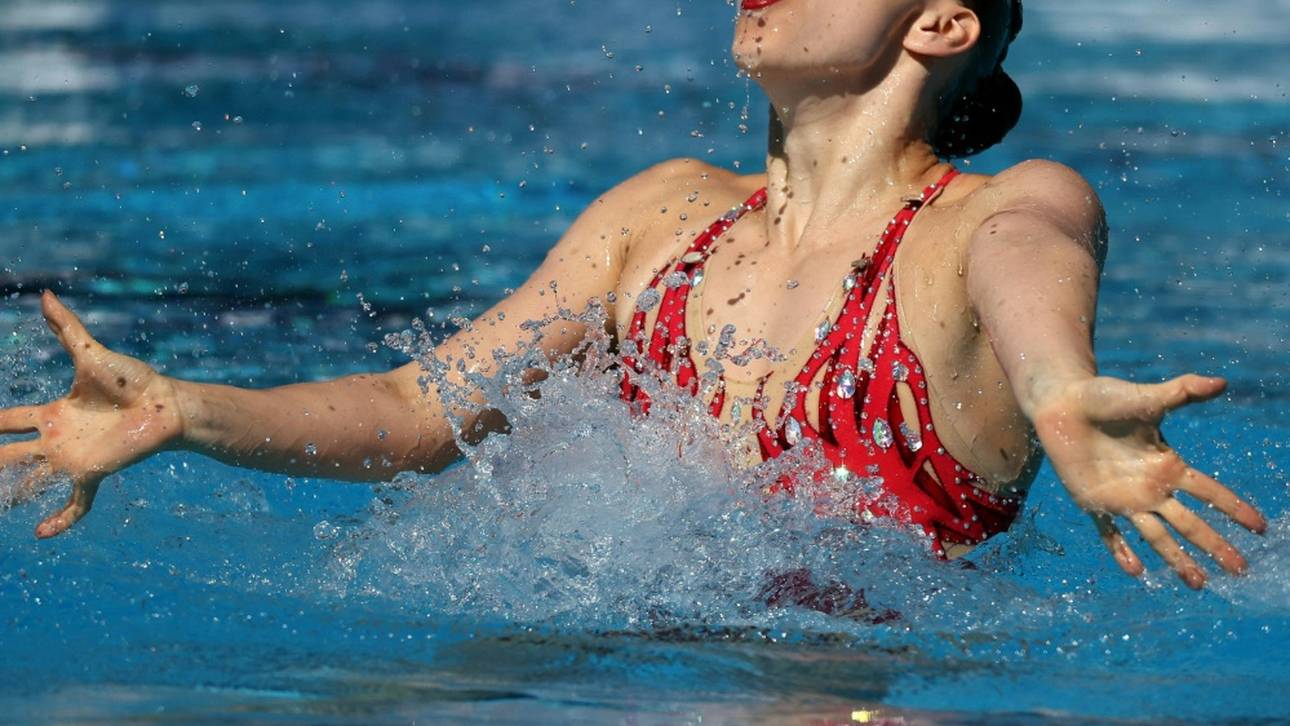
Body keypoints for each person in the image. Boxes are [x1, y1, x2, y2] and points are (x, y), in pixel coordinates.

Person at [0, 0, 1267, 590]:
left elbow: (1031, 255)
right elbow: (418, 408)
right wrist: (189, 411)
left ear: (940, 23)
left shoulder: (990, 213)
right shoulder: (661, 216)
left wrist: (1058, 390)